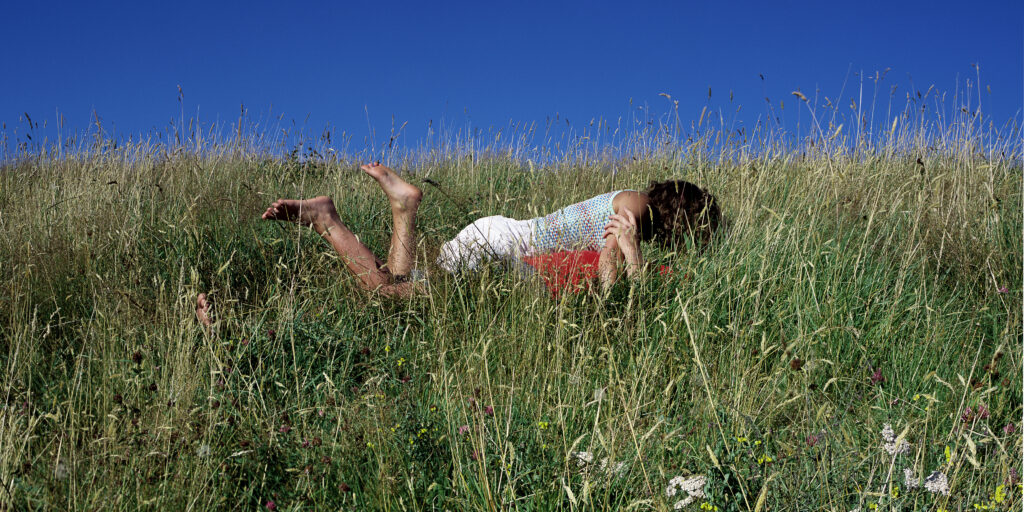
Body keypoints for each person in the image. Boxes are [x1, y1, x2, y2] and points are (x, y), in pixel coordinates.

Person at [249, 162, 718, 300]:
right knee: (388, 297)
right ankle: (333, 220)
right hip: (508, 249)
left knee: (397, 289)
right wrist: (631, 254)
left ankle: (398, 208)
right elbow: (613, 261)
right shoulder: (638, 213)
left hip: (505, 241)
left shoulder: (633, 203)